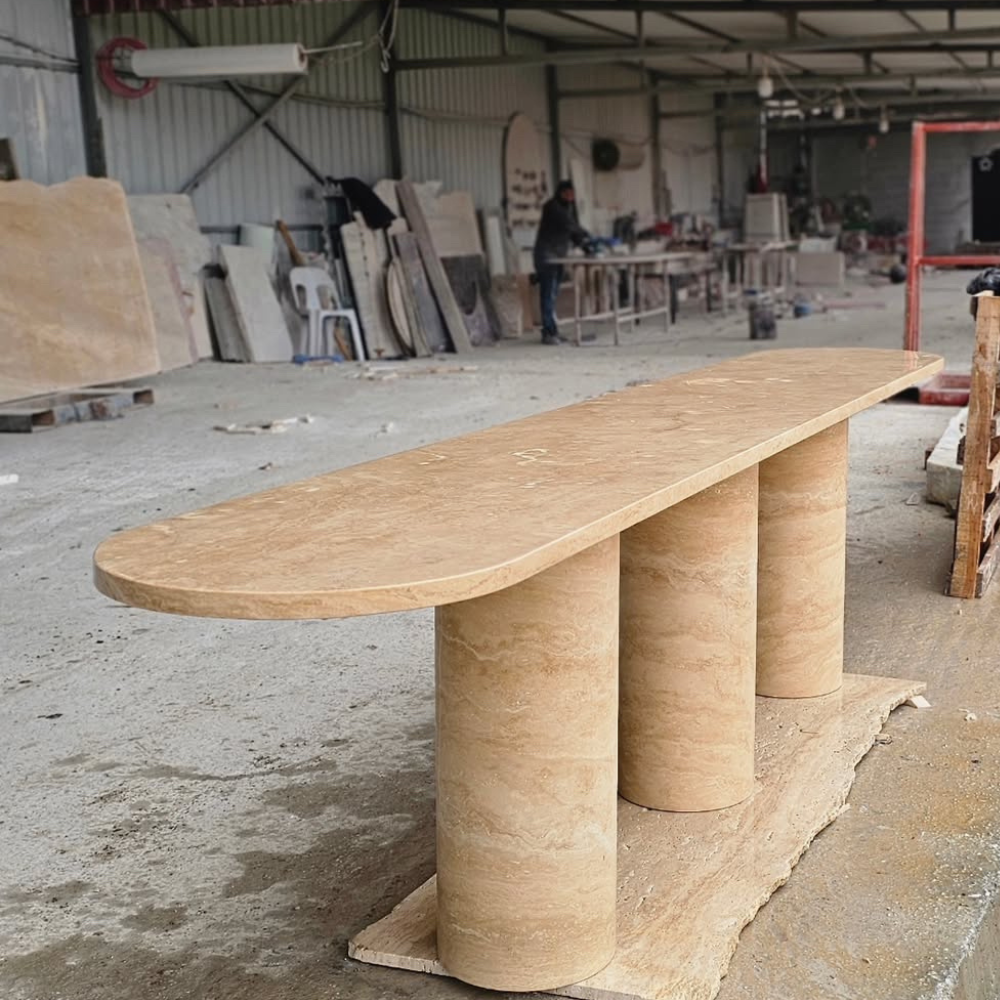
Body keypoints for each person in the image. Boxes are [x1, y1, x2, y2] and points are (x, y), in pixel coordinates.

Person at [533, 181, 592, 345]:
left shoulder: (566, 208)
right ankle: (548, 333)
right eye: (568, 194)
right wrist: (588, 236)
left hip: (558, 256)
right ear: (560, 193)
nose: (571, 197)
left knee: (552, 296)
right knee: (548, 295)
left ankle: (553, 331)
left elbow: (572, 232)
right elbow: (570, 225)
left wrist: (586, 245)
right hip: (546, 257)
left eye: (572, 194)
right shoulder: (552, 207)